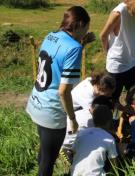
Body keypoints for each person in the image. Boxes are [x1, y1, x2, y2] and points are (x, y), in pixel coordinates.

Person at [25, 6, 93, 176]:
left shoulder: (51, 35)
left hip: (36, 102)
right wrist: (72, 118)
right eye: (86, 27)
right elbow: (63, 91)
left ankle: (41, 161)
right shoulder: (74, 48)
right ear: (80, 25)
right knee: (48, 164)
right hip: (51, 112)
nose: (87, 31)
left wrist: (82, 43)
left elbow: (58, 58)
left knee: (45, 151)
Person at [62, 95, 114, 164]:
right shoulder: (92, 122)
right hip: (69, 147)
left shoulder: (83, 111)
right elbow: (103, 136)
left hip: (61, 141)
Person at [71, 105, 118, 176]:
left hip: (75, 173)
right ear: (109, 122)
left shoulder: (81, 133)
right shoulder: (109, 138)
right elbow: (114, 163)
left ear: (93, 119)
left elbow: (73, 152)